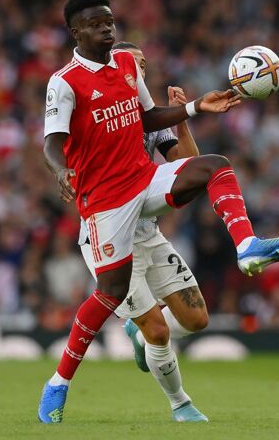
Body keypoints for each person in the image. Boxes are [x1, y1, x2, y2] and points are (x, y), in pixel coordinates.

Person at [39, 0, 279, 424]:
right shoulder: (65, 81)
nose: (106, 28)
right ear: (76, 31)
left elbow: (148, 118)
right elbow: (52, 141)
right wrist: (60, 170)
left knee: (215, 166)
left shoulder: (126, 67)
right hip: (105, 204)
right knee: (113, 296)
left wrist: (196, 107)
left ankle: (247, 247)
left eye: (109, 20)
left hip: (142, 183)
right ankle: (60, 383)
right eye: (95, 23)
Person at [77, 40, 209, 422]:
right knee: (158, 330)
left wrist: (180, 118)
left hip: (149, 234)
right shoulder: (99, 116)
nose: (137, 70)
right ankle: (181, 404)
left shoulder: (150, 123)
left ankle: (138, 336)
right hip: (111, 240)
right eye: (130, 62)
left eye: (143, 66)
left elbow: (188, 168)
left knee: (197, 320)